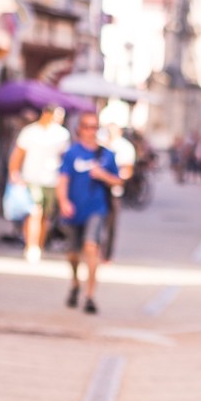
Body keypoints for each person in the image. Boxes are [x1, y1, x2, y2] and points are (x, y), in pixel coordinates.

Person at [56, 113, 121, 314]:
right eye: (86, 127)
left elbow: (118, 181)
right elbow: (63, 179)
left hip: (97, 208)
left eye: (94, 127)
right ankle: (76, 282)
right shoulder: (72, 153)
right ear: (79, 129)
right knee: (73, 253)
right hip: (74, 208)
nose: (90, 131)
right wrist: (63, 201)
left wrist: (103, 175)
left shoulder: (106, 155)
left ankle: (90, 295)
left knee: (91, 247)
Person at [7, 105, 70, 263]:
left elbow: (65, 158)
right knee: (34, 212)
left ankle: (39, 245)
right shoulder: (30, 132)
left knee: (45, 217)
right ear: (46, 114)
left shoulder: (62, 134)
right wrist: (14, 173)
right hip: (31, 178)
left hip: (52, 180)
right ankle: (31, 246)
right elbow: (18, 154)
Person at [100, 120, 136, 261]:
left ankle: (106, 254)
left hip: (113, 190)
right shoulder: (101, 145)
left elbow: (127, 170)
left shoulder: (124, 147)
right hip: (96, 189)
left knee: (110, 223)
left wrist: (112, 178)